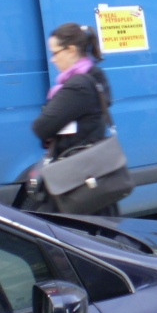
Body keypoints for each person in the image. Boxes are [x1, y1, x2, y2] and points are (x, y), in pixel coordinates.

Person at [31, 23, 115, 212]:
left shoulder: (78, 87)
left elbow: (41, 126)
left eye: (55, 52)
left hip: (76, 179)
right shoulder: (93, 77)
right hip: (90, 174)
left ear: (71, 50)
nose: (52, 59)